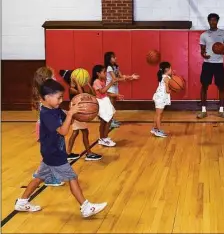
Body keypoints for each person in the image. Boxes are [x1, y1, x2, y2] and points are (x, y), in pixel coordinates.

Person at [15, 79, 107, 218]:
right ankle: (86, 207)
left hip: (51, 152)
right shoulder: (46, 114)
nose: (60, 100)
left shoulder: (55, 109)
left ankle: (21, 202)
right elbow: (63, 131)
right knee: (72, 177)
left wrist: (82, 112)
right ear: (47, 98)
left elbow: (70, 120)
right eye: (58, 97)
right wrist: (70, 114)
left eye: (61, 97)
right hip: (54, 153)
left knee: (39, 177)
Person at [59, 69, 102, 161]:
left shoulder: (79, 87)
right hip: (77, 113)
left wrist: (88, 83)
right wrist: (77, 83)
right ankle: (88, 153)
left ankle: (68, 153)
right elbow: (82, 95)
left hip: (78, 112)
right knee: (82, 132)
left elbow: (93, 94)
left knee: (76, 132)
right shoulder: (72, 89)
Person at [197, 13, 224, 119]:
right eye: (211, 20)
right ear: (208, 21)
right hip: (207, 64)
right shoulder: (204, 35)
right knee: (204, 86)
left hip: (219, 64)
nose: (213, 22)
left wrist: (222, 50)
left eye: (215, 20)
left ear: (217, 21)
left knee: (221, 87)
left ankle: (221, 110)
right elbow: (202, 51)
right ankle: (203, 110)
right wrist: (204, 55)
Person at [104, 51, 139, 128]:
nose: (115, 58)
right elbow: (115, 78)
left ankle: (111, 119)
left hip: (115, 87)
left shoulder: (116, 66)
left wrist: (131, 77)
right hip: (110, 87)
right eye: (113, 57)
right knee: (111, 106)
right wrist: (126, 78)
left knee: (113, 105)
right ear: (109, 59)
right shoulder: (109, 67)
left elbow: (121, 75)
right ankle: (109, 122)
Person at [151, 62, 172, 138]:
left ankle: (155, 128)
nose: (171, 70)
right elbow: (167, 90)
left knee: (158, 114)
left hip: (159, 97)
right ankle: (158, 131)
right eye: (171, 68)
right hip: (161, 98)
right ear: (167, 69)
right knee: (159, 115)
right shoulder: (166, 78)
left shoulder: (163, 76)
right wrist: (171, 91)